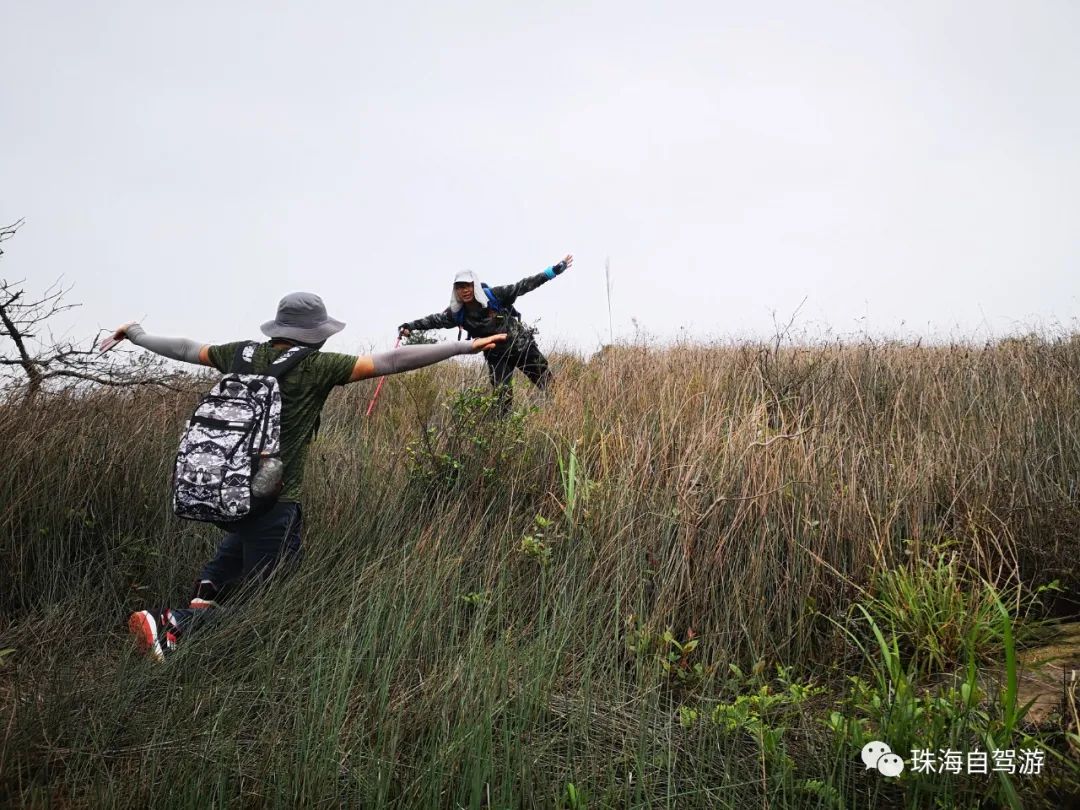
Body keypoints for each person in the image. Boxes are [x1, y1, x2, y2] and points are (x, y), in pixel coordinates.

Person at [111, 291, 506, 661]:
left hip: (227, 491)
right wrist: (463, 346)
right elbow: (391, 361)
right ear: (315, 335)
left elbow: (182, 348)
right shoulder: (317, 366)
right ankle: (174, 624)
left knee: (243, 537)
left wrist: (136, 333)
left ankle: (209, 589)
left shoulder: (240, 354)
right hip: (275, 499)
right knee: (273, 607)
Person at [397, 254, 572, 413]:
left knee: (548, 384)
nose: (464, 290)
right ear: (455, 290)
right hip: (496, 355)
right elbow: (434, 320)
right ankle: (503, 437)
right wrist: (410, 326)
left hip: (521, 346)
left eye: (468, 286)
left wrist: (553, 271)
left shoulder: (494, 296)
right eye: (460, 287)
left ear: (475, 286)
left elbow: (522, 286)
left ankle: (566, 414)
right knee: (502, 399)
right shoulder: (458, 314)